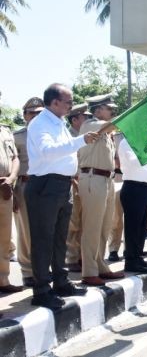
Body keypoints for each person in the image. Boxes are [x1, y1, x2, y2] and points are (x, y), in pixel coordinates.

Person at [25, 83, 99, 309]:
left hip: (61, 184)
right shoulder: (40, 124)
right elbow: (48, 152)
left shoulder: (58, 123)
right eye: (68, 102)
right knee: (43, 239)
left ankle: (60, 281)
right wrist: (80, 141)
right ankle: (41, 290)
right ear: (54, 102)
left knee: (59, 238)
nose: (71, 106)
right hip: (45, 185)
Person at [76, 94, 125, 286]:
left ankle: (100, 265)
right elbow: (117, 124)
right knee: (92, 227)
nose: (112, 111)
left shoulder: (105, 131)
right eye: (108, 108)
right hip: (92, 178)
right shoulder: (90, 124)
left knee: (104, 227)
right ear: (97, 110)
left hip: (106, 179)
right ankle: (89, 271)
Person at [12, 97, 44, 288]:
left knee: (44, 230)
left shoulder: (46, 133)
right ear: (24, 115)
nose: (35, 116)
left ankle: (41, 268)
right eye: (32, 113)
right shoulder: (17, 136)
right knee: (25, 231)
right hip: (24, 184)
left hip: (45, 185)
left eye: (39, 113)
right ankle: (27, 271)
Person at [118, 135, 147, 273]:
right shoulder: (126, 142)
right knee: (133, 227)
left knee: (141, 227)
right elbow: (133, 162)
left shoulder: (144, 142)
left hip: (145, 187)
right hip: (133, 187)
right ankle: (131, 261)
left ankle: (138, 257)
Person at [65, 102, 91, 270]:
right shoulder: (69, 136)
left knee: (84, 221)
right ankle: (72, 258)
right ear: (75, 120)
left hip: (86, 180)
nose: (88, 119)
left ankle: (82, 256)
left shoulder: (85, 135)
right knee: (73, 223)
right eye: (85, 117)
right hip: (73, 181)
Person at [0, 109, 22, 294]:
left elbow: (15, 158)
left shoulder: (5, 131)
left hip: (5, 187)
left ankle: (3, 279)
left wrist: (11, 178)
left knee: (4, 239)